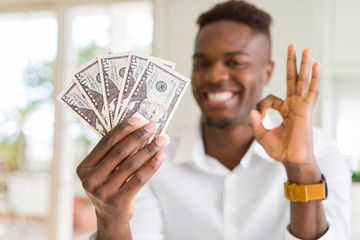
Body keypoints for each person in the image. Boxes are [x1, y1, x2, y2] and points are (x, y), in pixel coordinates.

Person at [77, 1, 351, 239]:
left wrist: (301, 170)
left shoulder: (319, 151)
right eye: (202, 64)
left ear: (267, 73)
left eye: (234, 63)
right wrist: (111, 220)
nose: (214, 76)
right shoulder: (153, 157)